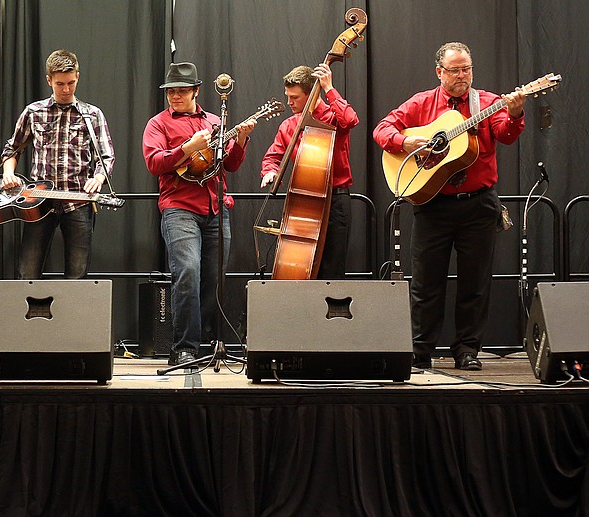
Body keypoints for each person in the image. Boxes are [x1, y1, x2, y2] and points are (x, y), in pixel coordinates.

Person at [373, 42, 526, 371]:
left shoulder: (486, 102)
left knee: (475, 283)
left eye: (467, 68)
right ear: (439, 72)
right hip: (433, 205)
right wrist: (405, 141)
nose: (463, 76)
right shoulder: (422, 103)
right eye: (455, 70)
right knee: (426, 282)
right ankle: (420, 350)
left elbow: (507, 134)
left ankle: (467, 349)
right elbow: (381, 129)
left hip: (479, 205)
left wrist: (514, 113)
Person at [142, 62, 256, 366]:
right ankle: (185, 347)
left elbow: (229, 164)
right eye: (171, 91)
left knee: (214, 278)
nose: (175, 96)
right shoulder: (158, 124)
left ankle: (206, 342)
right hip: (179, 207)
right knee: (188, 273)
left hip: (217, 208)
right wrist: (187, 148)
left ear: (196, 91)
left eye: (181, 90)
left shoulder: (216, 122)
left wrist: (241, 140)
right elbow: (155, 163)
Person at [1, 49, 115, 279]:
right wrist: (8, 172)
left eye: (71, 83)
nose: (66, 90)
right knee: (28, 272)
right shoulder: (34, 112)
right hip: (39, 201)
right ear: (49, 80)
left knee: (77, 275)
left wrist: (99, 178)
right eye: (60, 84)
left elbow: (106, 156)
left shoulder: (92, 114)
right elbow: (12, 149)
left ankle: (71, 317)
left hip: (78, 201)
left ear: (78, 77)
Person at [260, 64, 360, 279]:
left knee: (333, 267)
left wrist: (329, 88)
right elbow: (272, 157)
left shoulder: (334, 118)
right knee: (299, 264)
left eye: (294, 97)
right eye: (288, 96)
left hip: (335, 201)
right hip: (302, 203)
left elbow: (350, 119)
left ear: (311, 94)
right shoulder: (288, 126)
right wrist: (270, 171)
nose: (289, 102)